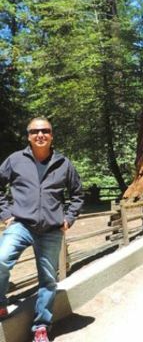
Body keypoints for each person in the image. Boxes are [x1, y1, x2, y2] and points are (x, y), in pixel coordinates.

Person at [0, 117, 83, 342]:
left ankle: (41, 327)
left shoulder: (64, 163)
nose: (40, 135)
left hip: (51, 230)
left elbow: (77, 194)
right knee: (1, 259)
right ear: (28, 136)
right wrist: (6, 214)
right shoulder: (15, 160)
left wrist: (69, 217)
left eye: (45, 130)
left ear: (51, 135)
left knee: (48, 279)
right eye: (35, 131)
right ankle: (0, 303)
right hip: (21, 225)